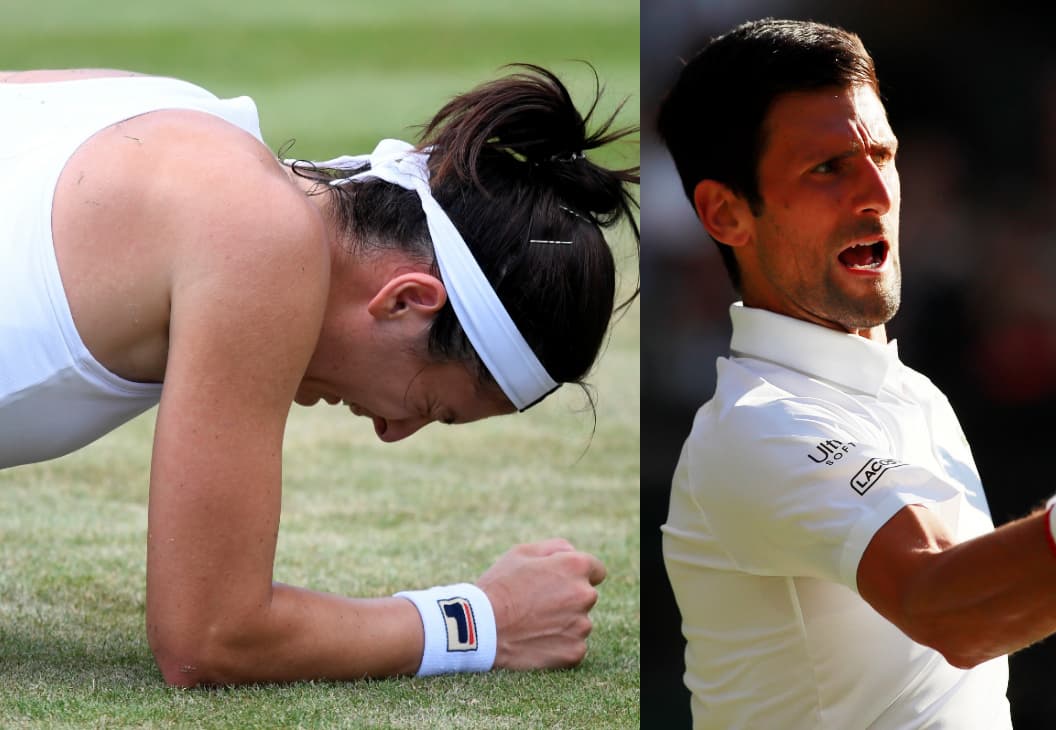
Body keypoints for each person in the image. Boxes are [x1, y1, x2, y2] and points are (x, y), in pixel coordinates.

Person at [656, 19, 1056, 728]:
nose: (877, 192)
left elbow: (990, 605)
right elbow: (946, 607)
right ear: (726, 212)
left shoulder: (915, 396)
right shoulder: (753, 426)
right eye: (826, 168)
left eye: (882, 155)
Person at [0, 64, 636, 686]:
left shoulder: (185, 113)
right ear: (406, 300)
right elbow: (211, 637)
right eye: (434, 408)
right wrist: (485, 620)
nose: (393, 431)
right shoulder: (258, 236)